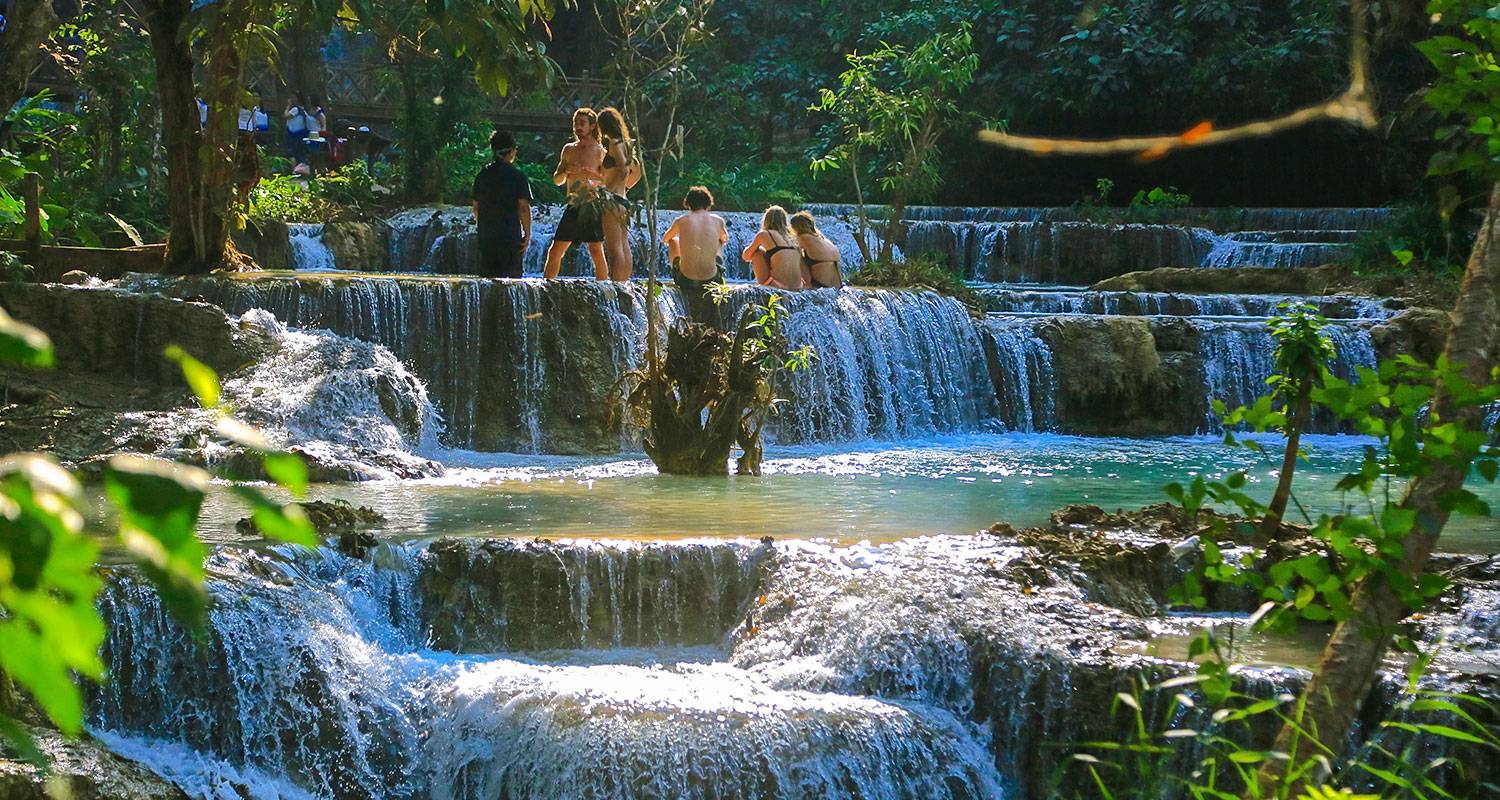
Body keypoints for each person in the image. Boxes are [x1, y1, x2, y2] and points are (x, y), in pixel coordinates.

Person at [542, 108, 608, 280]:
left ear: (592, 126)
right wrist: (565, 172)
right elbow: (557, 180)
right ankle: (546, 286)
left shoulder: (600, 151)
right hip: (573, 205)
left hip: (592, 205)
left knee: (596, 250)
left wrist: (592, 175)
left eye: (582, 123)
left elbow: (608, 181)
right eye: (575, 123)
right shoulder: (568, 149)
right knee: (556, 250)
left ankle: (603, 290)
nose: (578, 127)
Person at [471, 129, 534, 279]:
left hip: (487, 238)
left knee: (487, 283)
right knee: (512, 285)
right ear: (512, 152)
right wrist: (528, 233)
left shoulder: (482, 175)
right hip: (509, 237)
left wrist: (482, 227)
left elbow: (476, 206)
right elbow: (524, 207)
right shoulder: (518, 176)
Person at [662, 186, 728, 319]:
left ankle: (680, 269)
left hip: (685, 279)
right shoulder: (718, 220)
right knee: (719, 242)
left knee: (673, 241)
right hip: (712, 279)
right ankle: (718, 270)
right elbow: (725, 239)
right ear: (708, 203)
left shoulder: (681, 220)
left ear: (688, 203)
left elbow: (665, 239)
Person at [597, 107, 640, 282]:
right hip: (623, 200)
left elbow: (623, 170)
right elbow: (636, 171)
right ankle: (624, 282)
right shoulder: (627, 143)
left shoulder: (614, 143)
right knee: (624, 246)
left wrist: (607, 192)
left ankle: (616, 284)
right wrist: (624, 188)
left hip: (613, 200)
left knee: (614, 249)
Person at [742, 205, 805, 290]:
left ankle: (764, 287)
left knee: (757, 252)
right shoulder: (793, 237)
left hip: (778, 286)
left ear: (766, 220)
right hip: (798, 286)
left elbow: (746, 256)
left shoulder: (765, 234)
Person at [791, 211, 842, 289]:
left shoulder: (802, 237)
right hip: (838, 287)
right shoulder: (824, 239)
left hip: (819, 286)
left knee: (795, 253)